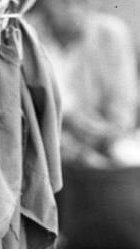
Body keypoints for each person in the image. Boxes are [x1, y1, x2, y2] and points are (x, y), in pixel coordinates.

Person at [29, 0, 140, 164]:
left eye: (83, 2)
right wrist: (66, 122)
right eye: (64, 2)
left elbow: (122, 114)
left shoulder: (109, 35)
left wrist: (99, 135)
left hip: (98, 144)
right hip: (41, 143)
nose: (73, 9)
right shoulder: (26, 34)